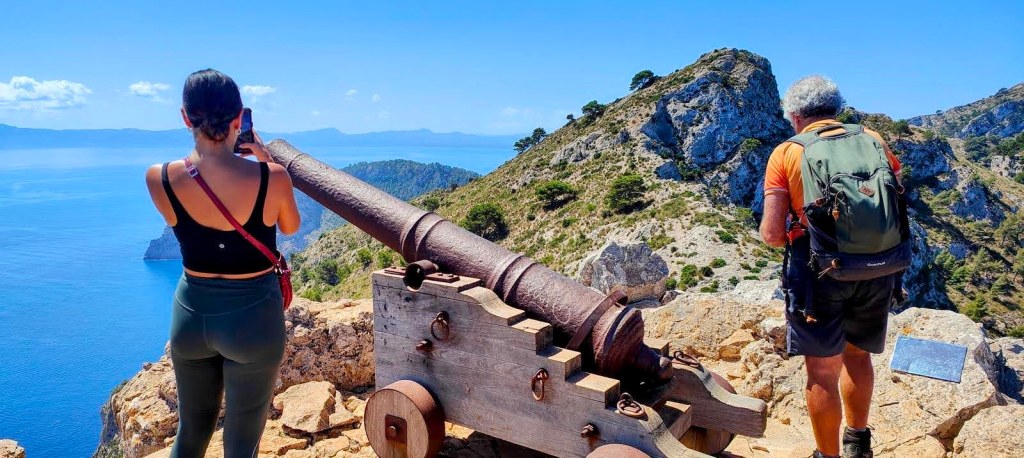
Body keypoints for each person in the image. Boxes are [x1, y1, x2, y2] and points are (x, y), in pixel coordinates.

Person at [144, 69, 300, 457]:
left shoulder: (159, 177)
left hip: (191, 315)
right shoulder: (271, 177)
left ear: (185, 117)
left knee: (192, 430)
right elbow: (291, 227)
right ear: (239, 120)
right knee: (241, 441)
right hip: (252, 319)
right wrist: (264, 161)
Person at [760, 76, 906, 458]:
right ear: (837, 108)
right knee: (858, 357)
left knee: (822, 371)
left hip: (818, 274)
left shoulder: (787, 153)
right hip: (879, 265)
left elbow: (773, 234)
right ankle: (859, 443)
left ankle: (828, 456)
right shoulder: (873, 139)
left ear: (795, 116)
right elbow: (894, 197)